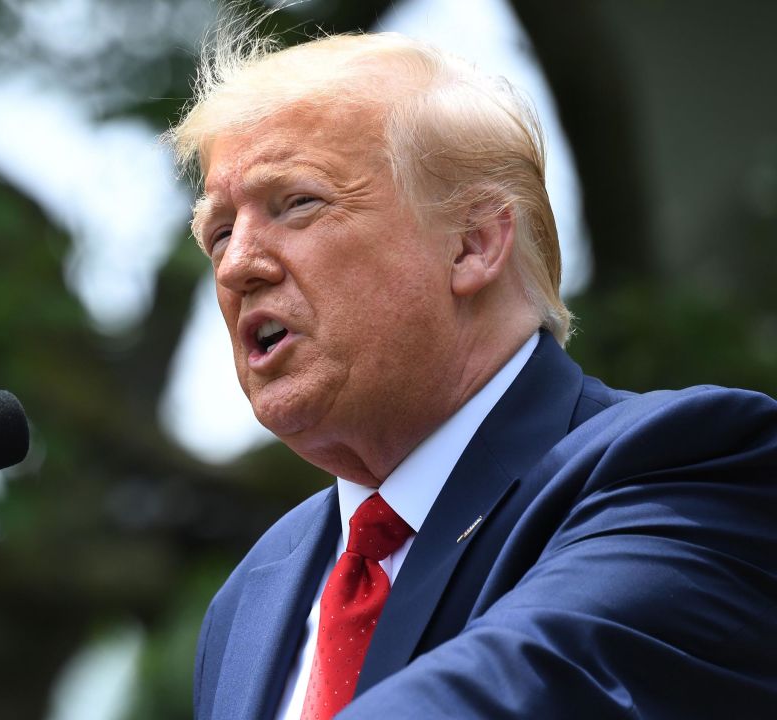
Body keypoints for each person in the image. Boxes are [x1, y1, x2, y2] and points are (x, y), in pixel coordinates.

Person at [164, 27, 777, 720]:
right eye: (218, 233)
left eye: (298, 203)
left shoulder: (683, 467)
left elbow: (520, 691)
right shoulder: (252, 595)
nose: (238, 264)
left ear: (474, 243)